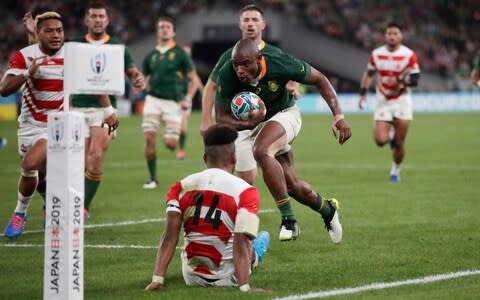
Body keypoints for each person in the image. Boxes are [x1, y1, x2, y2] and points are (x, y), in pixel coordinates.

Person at [215, 39, 352, 242]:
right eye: (236, 64)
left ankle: (289, 220)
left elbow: (320, 79)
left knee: (261, 150)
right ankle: (327, 209)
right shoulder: (228, 73)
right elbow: (221, 117)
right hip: (250, 126)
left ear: (259, 59)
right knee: (291, 185)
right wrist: (248, 124)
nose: (240, 70)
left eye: (245, 64)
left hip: (284, 114)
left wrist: (338, 116)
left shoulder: (280, 63)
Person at [24, 3, 146, 216]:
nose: (98, 19)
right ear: (86, 20)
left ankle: (83, 207)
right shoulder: (75, 45)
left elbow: (131, 71)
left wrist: (137, 78)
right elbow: (48, 56)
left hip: (104, 109)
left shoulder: (117, 46)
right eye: (93, 16)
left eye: (101, 16)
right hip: (76, 109)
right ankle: (56, 200)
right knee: (76, 163)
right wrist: (35, 33)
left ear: (108, 20)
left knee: (96, 154)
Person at [145, 124, 270, 292]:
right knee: (253, 239)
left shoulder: (180, 187)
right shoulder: (246, 191)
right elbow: (241, 242)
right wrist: (244, 287)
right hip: (229, 277)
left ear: (205, 158)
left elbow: (169, 235)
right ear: (234, 158)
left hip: (191, 277)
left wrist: (157, 279)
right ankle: (257, 253)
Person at [200, 4, 300, 185]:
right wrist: (206, 118)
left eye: (255, 19)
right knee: (247, 177)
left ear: (263, 24)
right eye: (246, 20)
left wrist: (294, 86)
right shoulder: (228, 56)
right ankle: (246, 205)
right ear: (240, 25)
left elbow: (289, 77)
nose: (250, 24)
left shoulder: (274, 54)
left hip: (270, 118)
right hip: (240, 121)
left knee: (284, 175)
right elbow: (210, 86)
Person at [1, 12, 64, 238]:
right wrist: (28, 73)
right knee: (36, 174)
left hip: (57, 125)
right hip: (29, 125)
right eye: (49, 31)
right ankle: (50, 204)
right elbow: (4, 88)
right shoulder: (25, 57)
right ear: (38, 34)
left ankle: (20, 213)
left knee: (30, 164)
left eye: (59, 30)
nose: (56, 35)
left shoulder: (72, 55)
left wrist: (107, 111)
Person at [141, 16, 201, 189]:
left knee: (170, 144)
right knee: (149, 137)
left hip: (173, 103)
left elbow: (194, 80)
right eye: (161, 27)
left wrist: (187, 98)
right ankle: (152, 178)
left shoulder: (180, 54)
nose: (164, 29)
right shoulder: (151, 55)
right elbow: (144, 77)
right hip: (153, 100)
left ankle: (170, 137)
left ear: (173, 31)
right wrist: (141, 84)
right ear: (157, 31)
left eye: (167, 27)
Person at [358, 23, 420, 183]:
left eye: (395, 33)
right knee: (380, 141)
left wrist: (400, 80)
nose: (392, 36)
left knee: (399, 143)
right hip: (383, 100)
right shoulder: (377, 54)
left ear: (400, 36)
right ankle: (389, 134)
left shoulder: (408, 55)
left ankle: (395, 169)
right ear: (385, 36)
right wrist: (363, 94)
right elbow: (369, 73)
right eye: (389, 33)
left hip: (402, 100)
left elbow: (415, 80)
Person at [176, 44, 203, 160]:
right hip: (171, 99)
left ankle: (181, 150)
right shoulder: (173, 66)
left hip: (185, 100)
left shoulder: (190, 68)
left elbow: (197, 81)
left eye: (188, 53)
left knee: (182, 127)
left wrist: (203, 95)